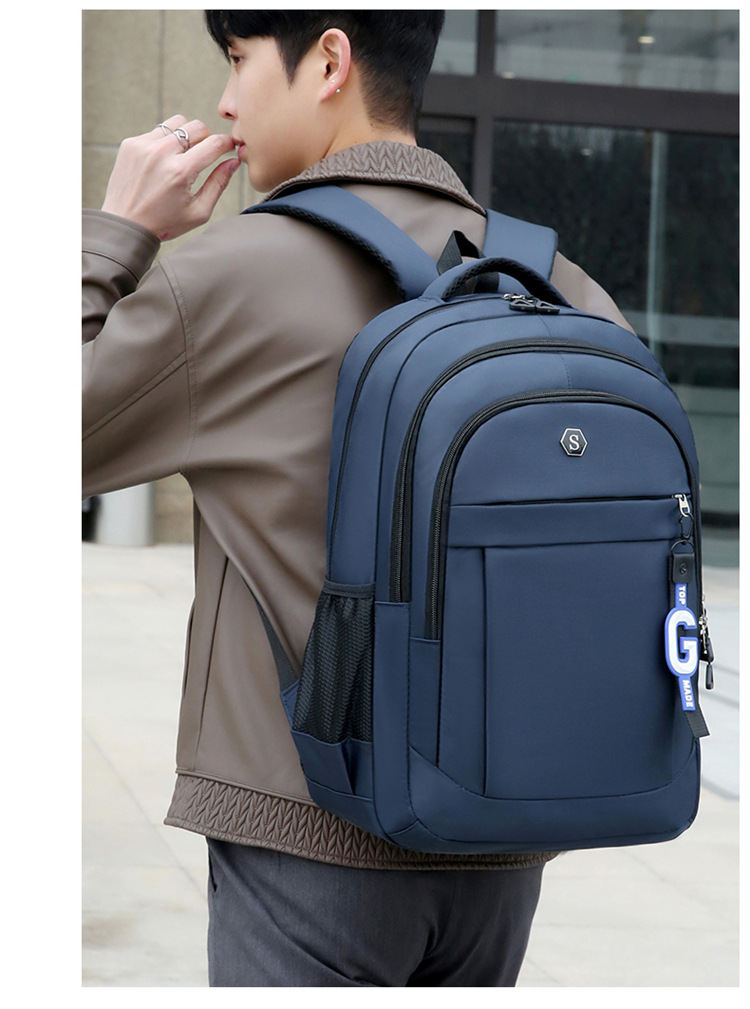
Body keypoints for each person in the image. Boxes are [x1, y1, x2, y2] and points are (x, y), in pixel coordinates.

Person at [83, 10, 633, 987]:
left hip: (306, 846)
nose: (226, 101)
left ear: (329, 60)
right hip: (503, 844)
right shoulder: (564, 286)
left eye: (240, 59)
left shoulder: (234, 273)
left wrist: (118, 233)